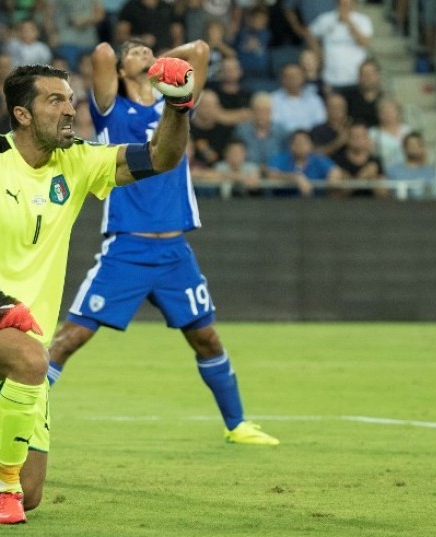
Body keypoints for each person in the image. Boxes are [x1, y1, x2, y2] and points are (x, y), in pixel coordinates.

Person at [0, 61, 193, 524]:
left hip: (28, 337)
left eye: (71, 100)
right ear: (23, 114)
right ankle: (3, 494)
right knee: (31, 361)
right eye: (55, 100)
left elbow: (162, 157)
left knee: (33, 491)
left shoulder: (79, 160)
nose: (70, 110)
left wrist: (179, 107)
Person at [47, 38, 279, 447]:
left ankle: (238, 424)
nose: (147, 55)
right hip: (127, 248)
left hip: (174, 251)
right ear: (120, 72)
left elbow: (202, 50)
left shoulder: (176, 103)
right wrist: (134, 64)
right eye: (135, 53)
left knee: (206, 337)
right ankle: (23, 414)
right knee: (71, 338)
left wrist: (157, 66)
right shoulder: (112, 111)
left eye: (149, 52)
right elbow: (101, 51)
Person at [307, 0, 373, 90]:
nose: (344, 7)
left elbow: (364, 43)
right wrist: (318, 54)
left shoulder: (363, 20)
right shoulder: (325, 19)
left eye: (347, 4)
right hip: (331, 77)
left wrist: (349, 23)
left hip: (356, 78)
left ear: (354, 4)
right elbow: (310, 34)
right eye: (341, 4)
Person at [266, 129, 341, 197]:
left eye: (304, 143)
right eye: (297, 143)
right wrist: (294, 177)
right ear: (291, 146)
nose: (300, 146)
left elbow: (335, 170)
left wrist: (334, 177)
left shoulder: (318, 159)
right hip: (282, 205)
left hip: (315, 205)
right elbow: (271, 174)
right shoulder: (280, 158)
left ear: (311, 145)